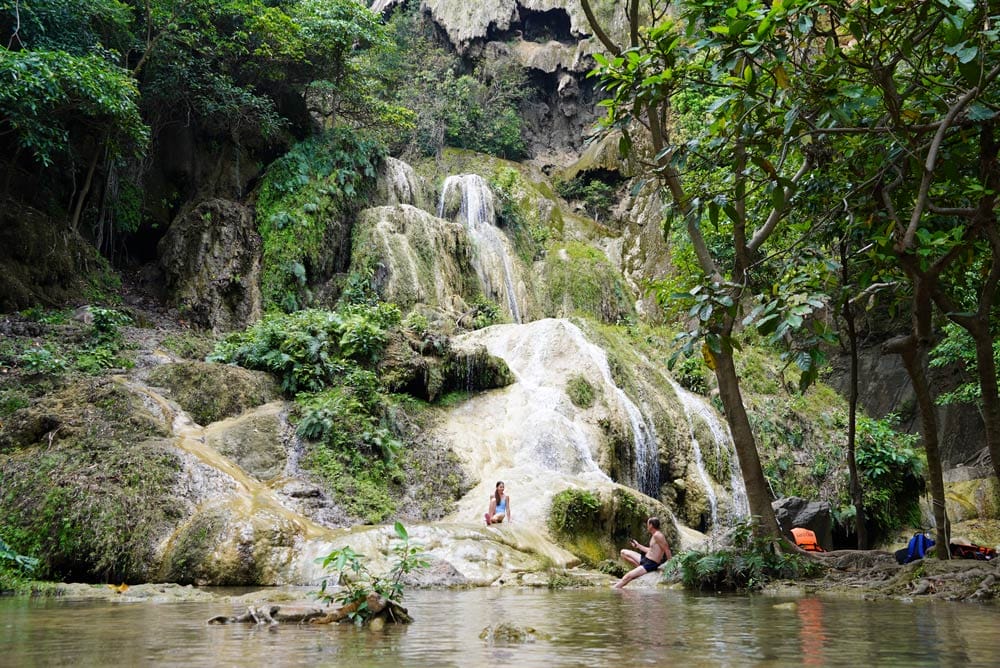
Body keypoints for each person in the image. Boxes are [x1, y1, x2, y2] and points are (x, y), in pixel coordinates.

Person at [613, 517, 672, 589]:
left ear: (651, 525)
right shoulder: (654, 535)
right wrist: (638, 546)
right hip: (645, 559)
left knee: (626, 577)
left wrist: (670, 566)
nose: (647, 526)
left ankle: (613, 589)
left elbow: (667, 549)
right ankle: (639, 570)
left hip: (650, 564)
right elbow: (651, 550)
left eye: (647, 524)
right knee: (623, 552)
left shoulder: (658, 535)